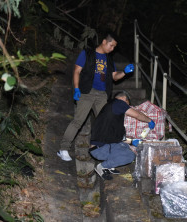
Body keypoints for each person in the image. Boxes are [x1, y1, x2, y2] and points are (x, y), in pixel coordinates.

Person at [57, 32, 135, 161]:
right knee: (78, 121)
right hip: (87, 92)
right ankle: (63, 148)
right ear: (104, 42)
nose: (112, 49)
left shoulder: (109, 59)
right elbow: (76, 71)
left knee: (106, 121)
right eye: (111, 45)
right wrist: (76, 88)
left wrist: (124, 72)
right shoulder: (87, 53)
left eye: (114, 47)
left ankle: (105, 149)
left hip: (102, 94)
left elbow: (115, 77)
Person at [89, 91, 155, 180]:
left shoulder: (111, 110)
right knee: (130, 156)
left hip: (100, 147)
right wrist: (149, 120)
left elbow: (119, 139)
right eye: (128, 104)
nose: (128, 107)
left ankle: (110, 167)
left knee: (125, 145)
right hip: (100, 149)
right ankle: (102, 166)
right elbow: (137, 114)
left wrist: (132, 141)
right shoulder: (118, 103)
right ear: (125, 99)